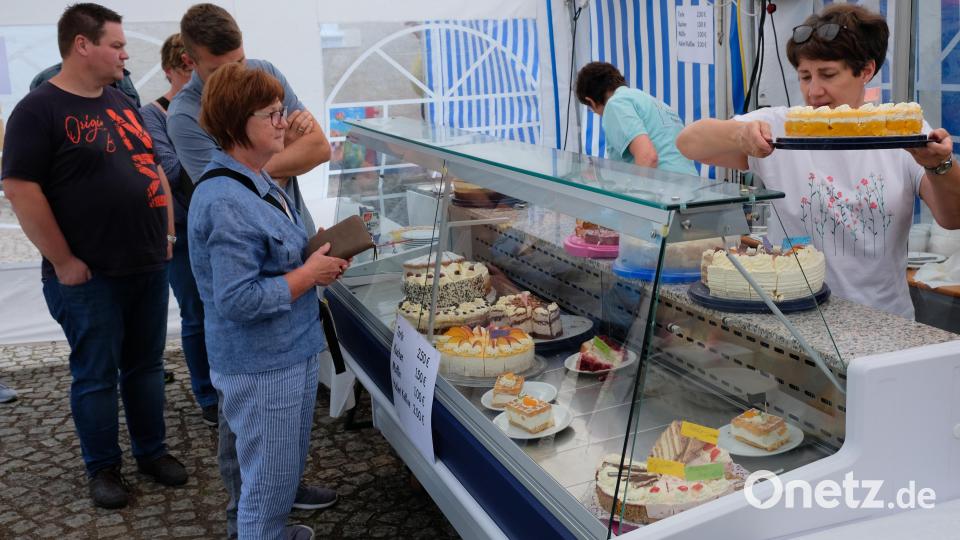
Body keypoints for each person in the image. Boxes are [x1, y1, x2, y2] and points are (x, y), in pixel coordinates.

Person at [1, 3, 187, 509]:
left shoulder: (120, 102)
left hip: (147, 262)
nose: (125, 55)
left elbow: (150, 166)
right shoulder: (38, 110)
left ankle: (152, 451)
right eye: (117, 45)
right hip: (90, 274)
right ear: (82, 45)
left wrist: (166, 232)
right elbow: (20, 189)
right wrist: (63, 261)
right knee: (96, 374)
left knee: (146, 367)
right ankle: (103, 467)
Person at [676, 3, 960, 319]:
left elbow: (953, 218)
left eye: (827, 74)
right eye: (804, 76)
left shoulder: (902, 131)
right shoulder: (780, 126)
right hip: (795, 317)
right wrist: (738, 134)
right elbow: (689, 143)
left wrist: (940, 165)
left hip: (883, 319)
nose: (814, 91)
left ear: (866, 70)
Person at [168, 4, 338, 528]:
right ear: (240, 127)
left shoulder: (255, 181)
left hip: (279, 353)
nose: (285, 120)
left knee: (270, 474)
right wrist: (306, 275)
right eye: (272, 115)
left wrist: (309, 260)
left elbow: (319, 149)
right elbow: (237, 299)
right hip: (264, 364)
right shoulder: (226, 197)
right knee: (265, 491)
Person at [168, 3, 330, 237]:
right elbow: (229, 194)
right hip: (250, 246)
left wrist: (251, 168)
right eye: (219, 71)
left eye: (240, 62)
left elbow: (320, 148)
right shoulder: (183, 117)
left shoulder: (264, 73)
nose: (236, 77)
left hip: (298, 234)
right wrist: (286, 146)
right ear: (189, 61)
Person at [140, 33, 218, 426]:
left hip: (218, 223)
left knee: (222, 309)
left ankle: (226, 384)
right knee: (195, 313)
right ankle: (206, 392)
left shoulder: (214, 107)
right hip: (184, 229)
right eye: (185, 74)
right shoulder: (154, 114)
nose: (193, 84)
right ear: (171, 70)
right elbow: (168, 170)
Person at [576, 61, 697, 175]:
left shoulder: (615, 104)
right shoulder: (656, 103)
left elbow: (647, 157)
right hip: (692, 189)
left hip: (663, 192)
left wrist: (636, 192)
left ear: (590, 101)